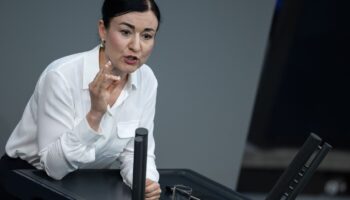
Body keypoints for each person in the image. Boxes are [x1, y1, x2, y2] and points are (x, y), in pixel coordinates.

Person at [0, 0, 162, 199]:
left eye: (147, 36)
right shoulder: (62, 76)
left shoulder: (147, 80)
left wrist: (145, 183)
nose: (136, 46)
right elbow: (54, 167)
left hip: (81, 184)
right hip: (24, 182)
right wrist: (95, 114)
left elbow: (135, 153)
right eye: (126, 32)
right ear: (103, 30)